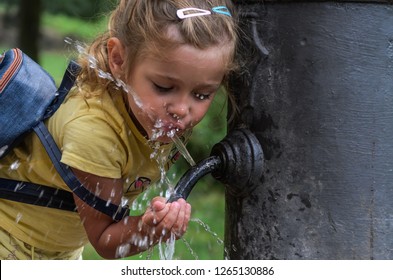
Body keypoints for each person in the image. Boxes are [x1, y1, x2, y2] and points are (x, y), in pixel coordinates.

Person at [0, 0, 238, 260]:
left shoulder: (154, 113)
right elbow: (105, 239)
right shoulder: (95, 132)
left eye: (202, 95)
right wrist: (151, 228)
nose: (181, 109)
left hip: (58, 247)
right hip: (11, 243)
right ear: (119, 59)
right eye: (163, 87)